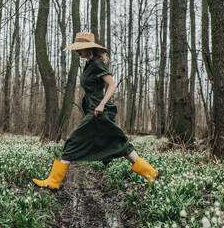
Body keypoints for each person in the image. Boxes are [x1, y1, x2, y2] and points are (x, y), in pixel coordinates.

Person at [32, 32, 159, 190]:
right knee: (120, 143)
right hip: (95, 111)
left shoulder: (97, 63)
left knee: (73, 140)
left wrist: (101, 104)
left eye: (81, 48)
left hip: (97, 112)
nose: (78, 51)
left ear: (89, 48)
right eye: (77, 48)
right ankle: (151, 173)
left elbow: (112, 85)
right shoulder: (89, 63)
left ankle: (53, 182)